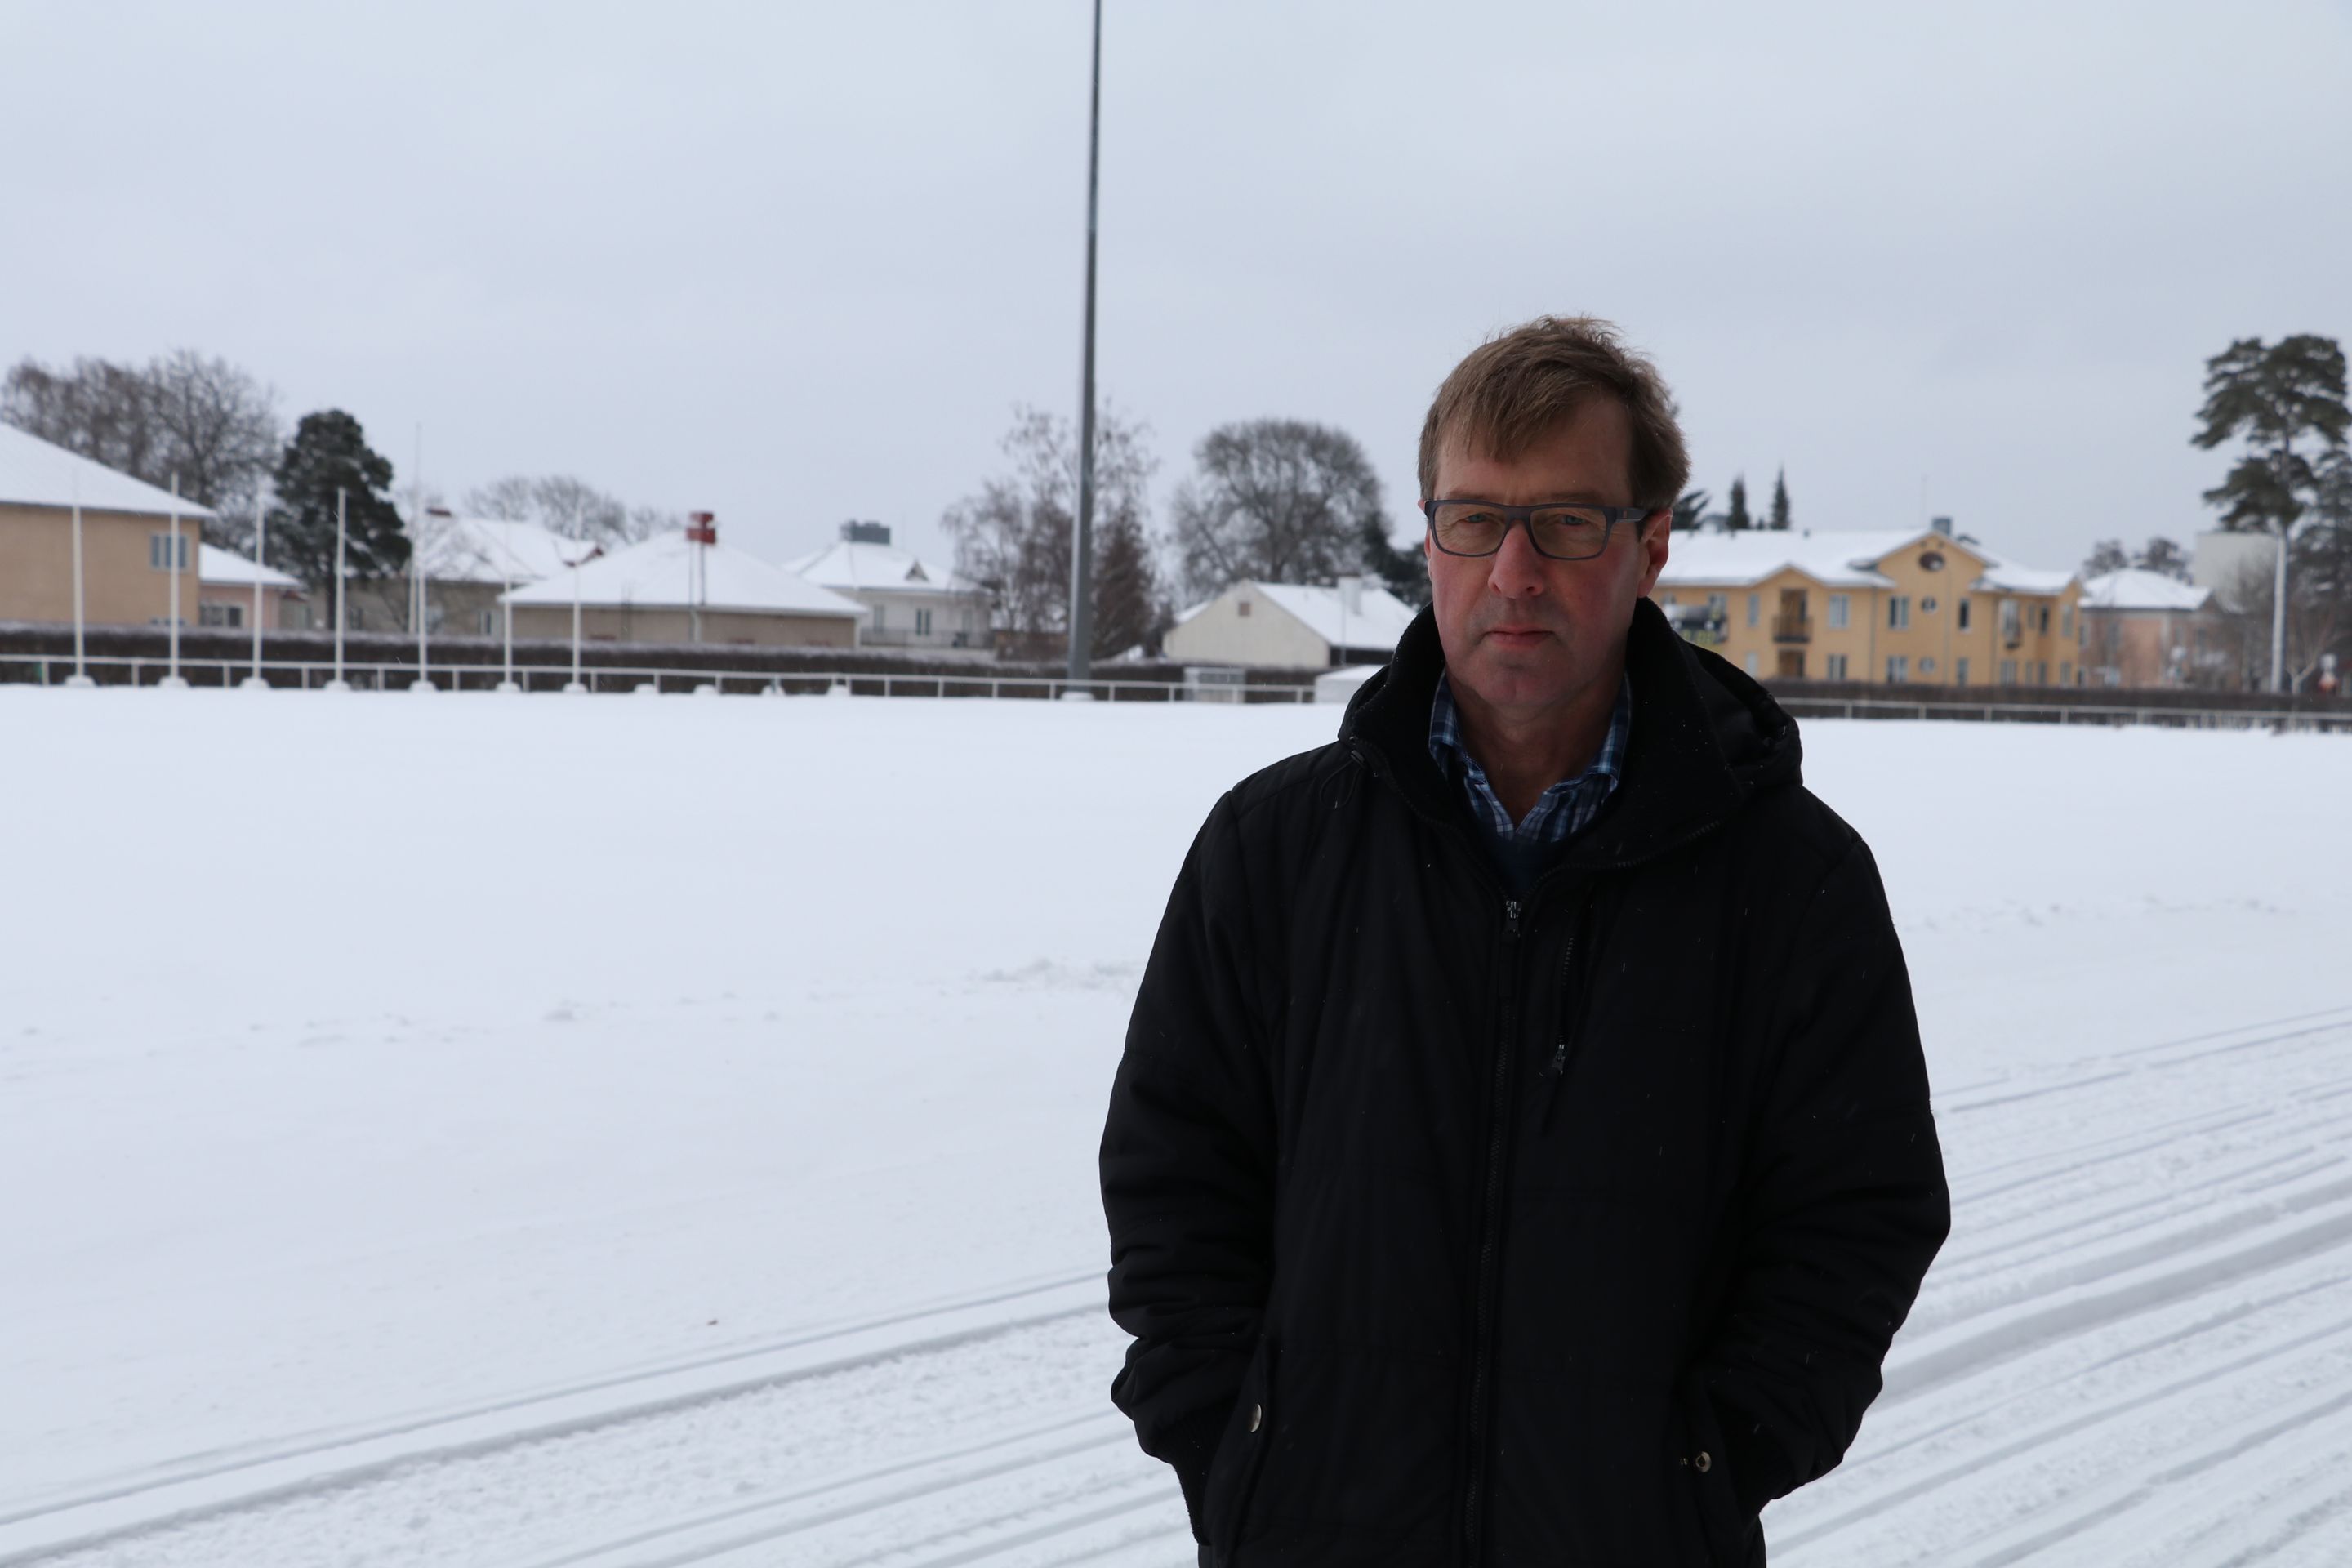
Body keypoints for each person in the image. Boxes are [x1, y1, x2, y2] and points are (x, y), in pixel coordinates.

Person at [1098, 317, 1951, 1566]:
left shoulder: (1791, 881)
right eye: (1474, 520)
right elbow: (1173, 1182)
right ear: (1427, 538)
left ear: (1650, 545)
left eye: (1565, 521)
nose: (1513, 571)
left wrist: (1700, 1471)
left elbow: (1859, 1215)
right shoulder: (1274, 852)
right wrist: (1242, 1452)